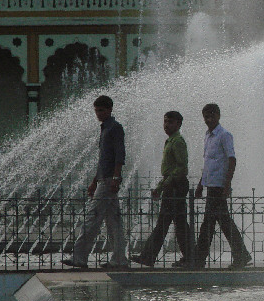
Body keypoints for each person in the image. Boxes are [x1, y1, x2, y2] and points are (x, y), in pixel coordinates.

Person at [63, 95, 128, 269]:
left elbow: (119, 156)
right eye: (96, 111)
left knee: (92, 218)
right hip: (103, 180)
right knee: (114, 221)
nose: (98, 114)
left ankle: (79, 258)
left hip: (108, 182)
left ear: (110, 109)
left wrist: (115, 178)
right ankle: (119, 260)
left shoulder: (115, 128)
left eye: (101, 110)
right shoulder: (105, 129)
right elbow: (103, 160)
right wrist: (94, 181)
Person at [194, 103, 251, 269]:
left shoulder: (224, 135)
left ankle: (201, 258)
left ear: (218, 116)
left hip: (219, 186)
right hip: (211, 185)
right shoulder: (208, 136)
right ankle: (240, 255)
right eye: (206, 117)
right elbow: (208, 163)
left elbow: (232, 159)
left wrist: (227, 184)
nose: (209, 120)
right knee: (215, 223)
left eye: (211, 116)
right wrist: (200, 184)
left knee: (214, 223)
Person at [130, 111, 190, 268]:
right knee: (178, 223)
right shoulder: (170, 141)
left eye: (170, 122)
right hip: (172, 185)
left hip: (176, 186)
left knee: (166, 222)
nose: (166, 125)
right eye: (165, 121)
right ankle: (190, 257)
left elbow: (182, 167)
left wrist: (165, 185)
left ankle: (148, 257)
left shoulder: (177, 142)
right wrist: (160, 186)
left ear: (178, 124)